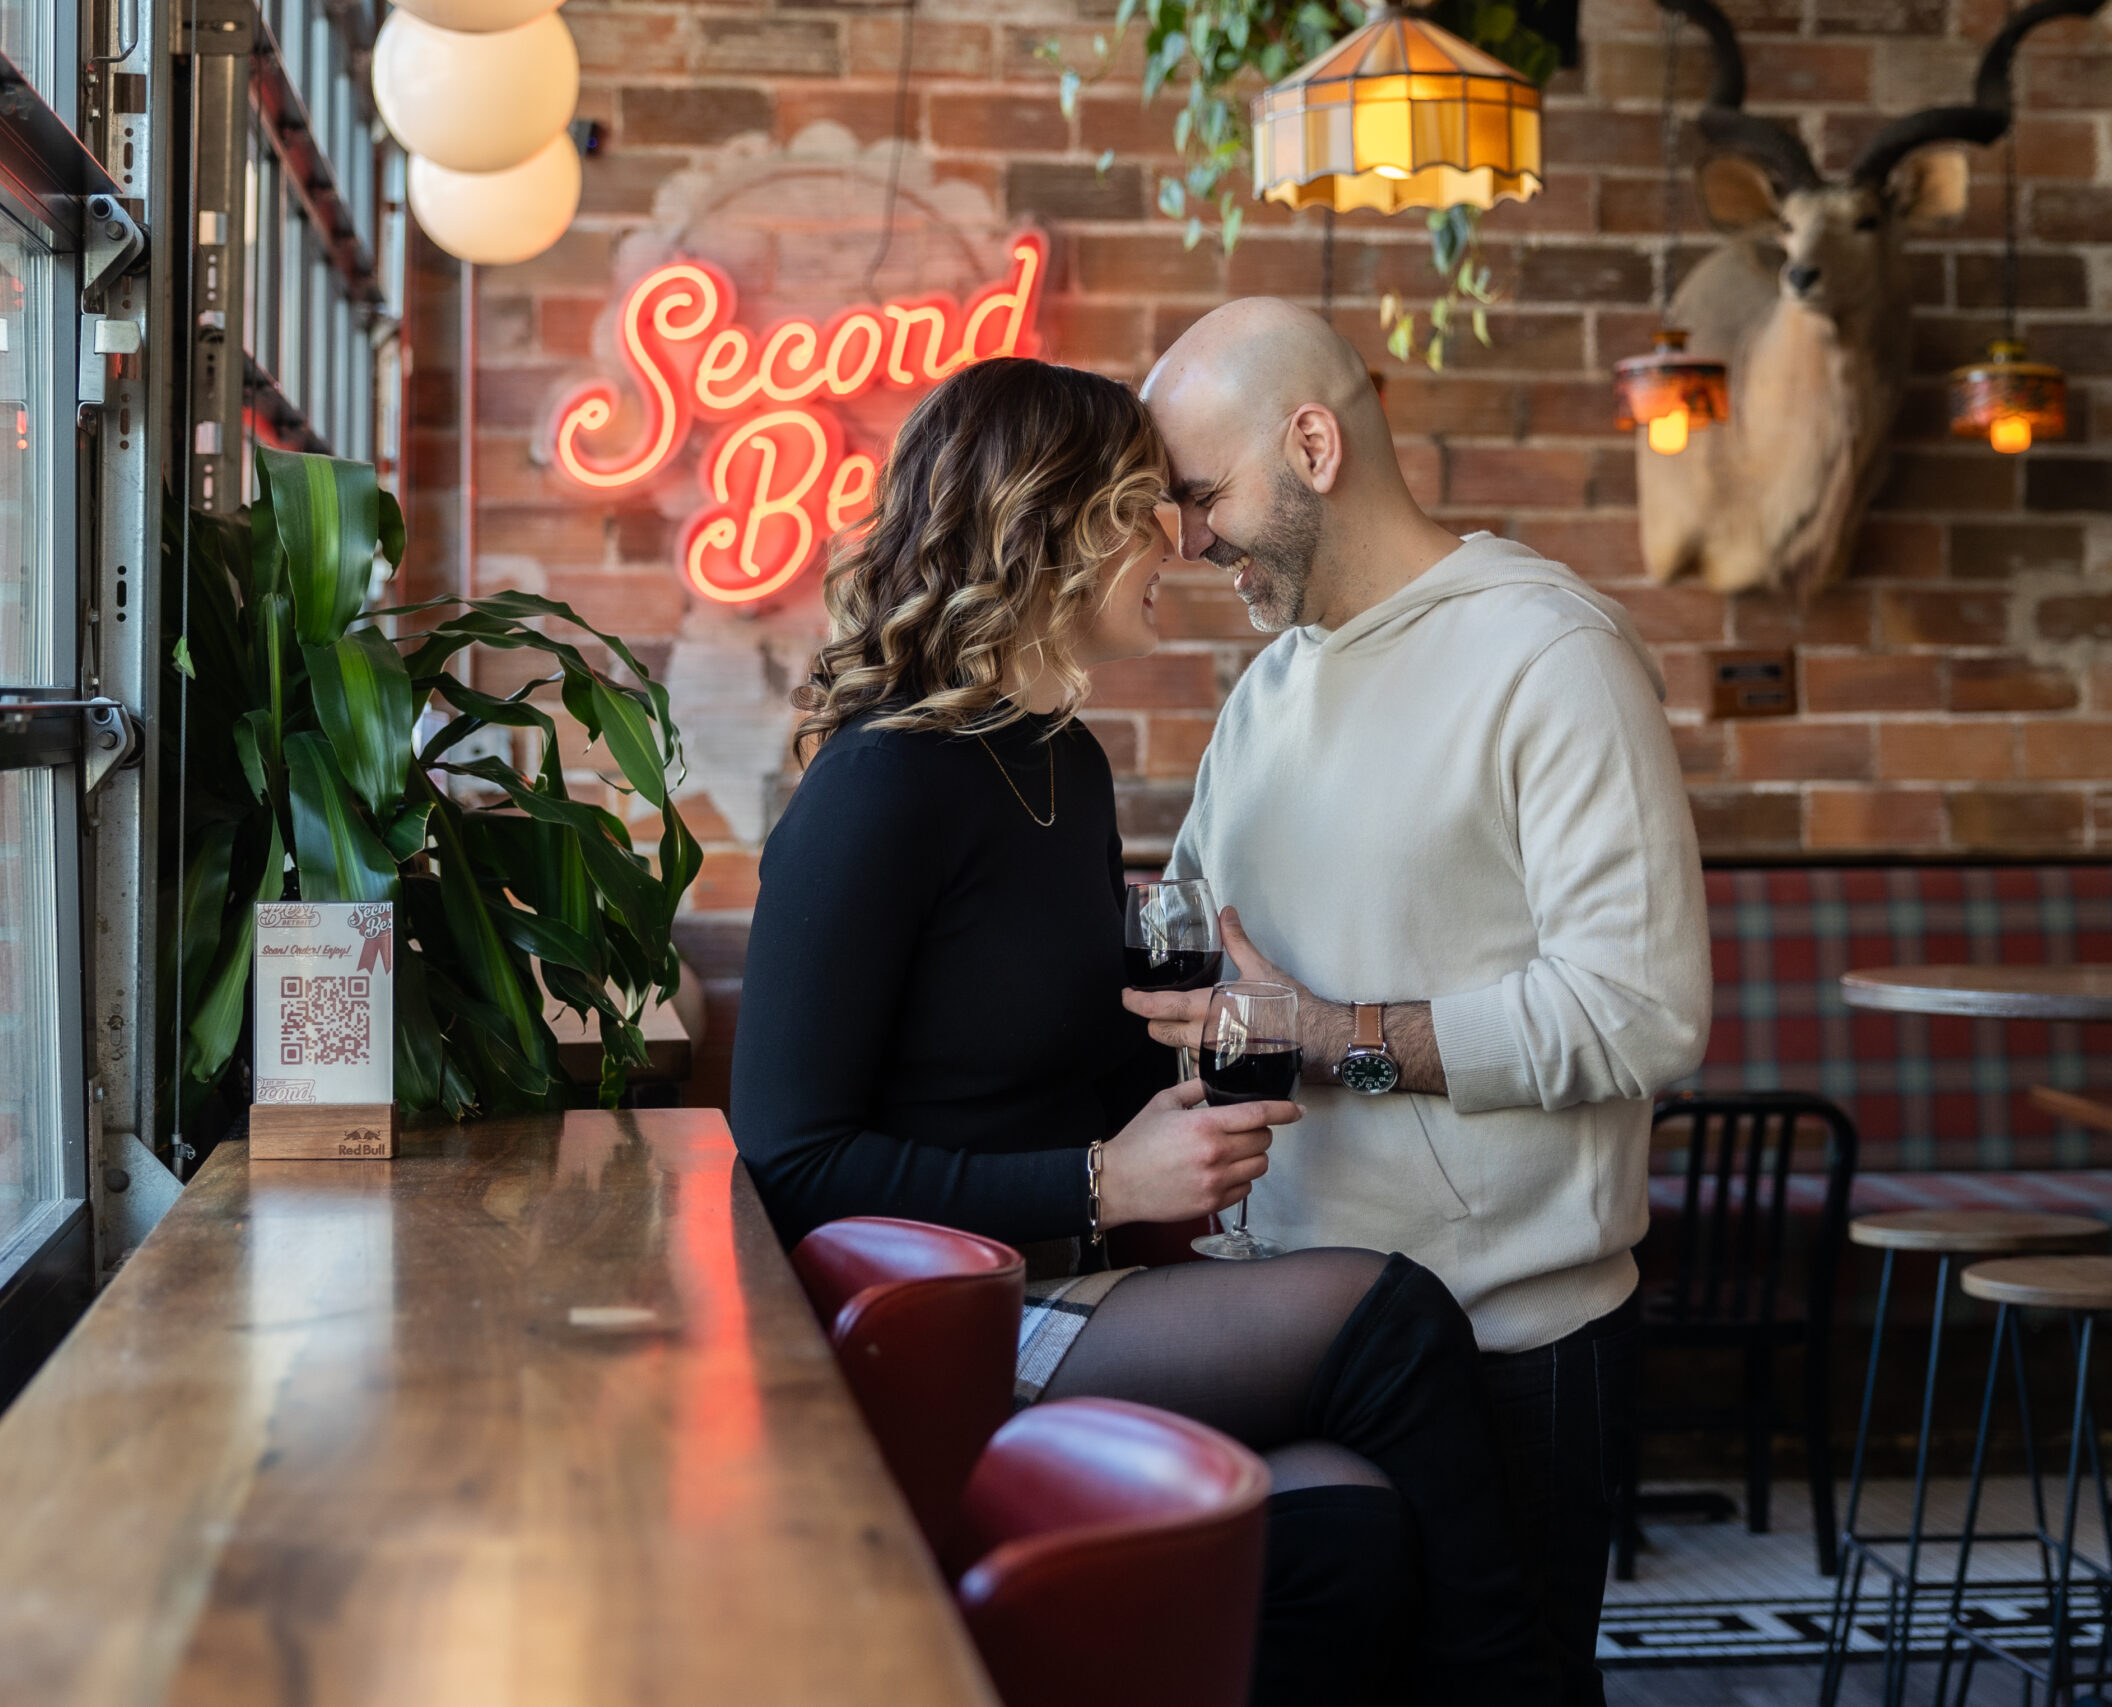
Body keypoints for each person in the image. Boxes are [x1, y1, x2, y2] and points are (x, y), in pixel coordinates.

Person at [731, 355, 1558, 1706]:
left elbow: (1073, 1055)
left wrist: (1233, 1046)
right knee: (1392, 1321)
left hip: (1065, 1284)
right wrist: (1102, 1181)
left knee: (1347, 1523)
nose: (1180, 537)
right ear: (1046, 527)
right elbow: (790, 1164)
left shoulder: (1062, 760)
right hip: (933, 1334)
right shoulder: (880, 787)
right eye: (1139, 505)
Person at [1123, 298, 1714, 1707]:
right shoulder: (1266, 691)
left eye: (1201, 498)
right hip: (1289, 1326)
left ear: (1314, 445)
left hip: (1509, 1344)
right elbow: (1189, 938)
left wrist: (1337, 1039)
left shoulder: (1549, 655)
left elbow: (1641, 1011)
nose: (1186, 543)